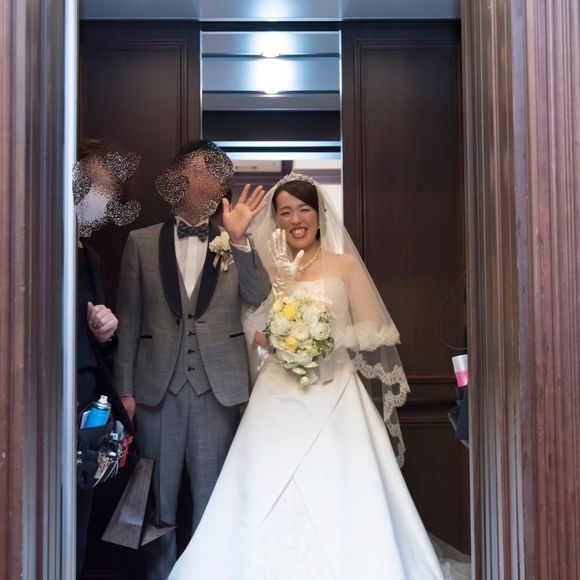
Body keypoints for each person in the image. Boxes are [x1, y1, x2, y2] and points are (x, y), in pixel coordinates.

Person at [168, 172, 448, 580]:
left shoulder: (345, 265)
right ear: (276, 220)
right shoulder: (266, 268)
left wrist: (325, 340)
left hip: (335, 389)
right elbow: (250, 323)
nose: (295, 219)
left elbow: (375, 330)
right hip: (277, 390)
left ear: (319, 215)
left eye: (303, 210)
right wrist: (279, 338)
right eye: (285, 212)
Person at [114, 140, 271, 579]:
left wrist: (238, 240)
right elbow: (129, 320)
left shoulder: (233, 239)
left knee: (212, 503)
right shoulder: (141, 242)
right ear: (175, 177)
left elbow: (258, 295)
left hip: (216, 394)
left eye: (214, 174)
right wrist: (125, 390)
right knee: (157, 506)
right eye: (198, 171)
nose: (206, 181)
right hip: (155, 394)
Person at [74, 139, 138, 577]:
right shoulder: (33, 245)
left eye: (109, 190)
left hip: (86, 396)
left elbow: (96, 341)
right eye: (96, 183)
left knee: (79, 510)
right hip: (42, 392)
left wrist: (106, 333)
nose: (102, 197)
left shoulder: (92, 257)